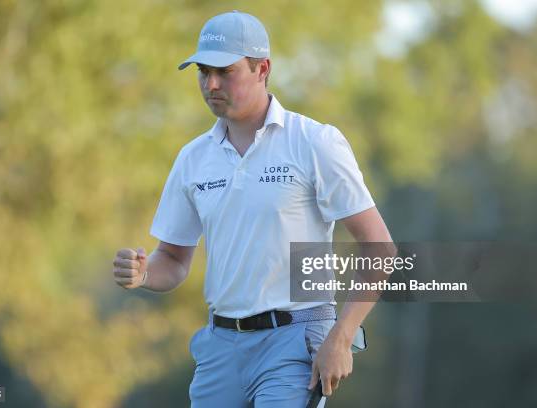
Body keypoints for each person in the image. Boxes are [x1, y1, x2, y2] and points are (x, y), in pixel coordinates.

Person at [113, 10, 393, 407]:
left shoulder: (315, 142)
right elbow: (173, 260)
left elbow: (379, 248)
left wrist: (341, 337)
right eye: (202, 72)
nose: (211, 84)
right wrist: (143, 274)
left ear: (262, 68)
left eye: (224, 72)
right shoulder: (193, 159)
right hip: (220, 348)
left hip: (295, 342)